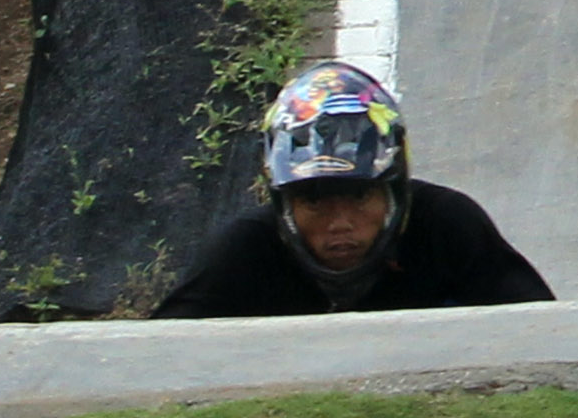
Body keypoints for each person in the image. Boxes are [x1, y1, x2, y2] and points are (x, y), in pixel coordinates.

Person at [156, 64, 555, 317]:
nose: (341, 224)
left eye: (360, 197)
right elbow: (161, 357)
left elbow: (541, 334)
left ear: (394, 190)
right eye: (314, 201)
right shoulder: (245, 250)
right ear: (283, 204)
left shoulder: (446, 227)